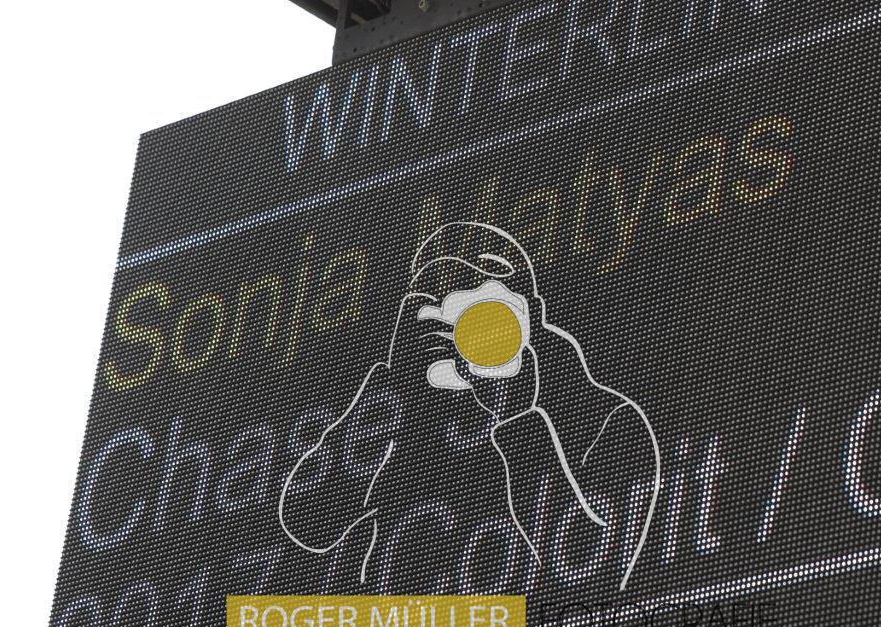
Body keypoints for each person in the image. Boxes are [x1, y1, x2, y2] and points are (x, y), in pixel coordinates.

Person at [278, 222, 660, 593]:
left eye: (487, 320)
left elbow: (600, 569)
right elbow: (309, 524)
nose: (465, 340)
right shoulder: (417, 420)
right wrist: (389, 396)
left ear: (531, 320)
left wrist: (519, 421)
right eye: (445, 322)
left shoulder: (603, 417)